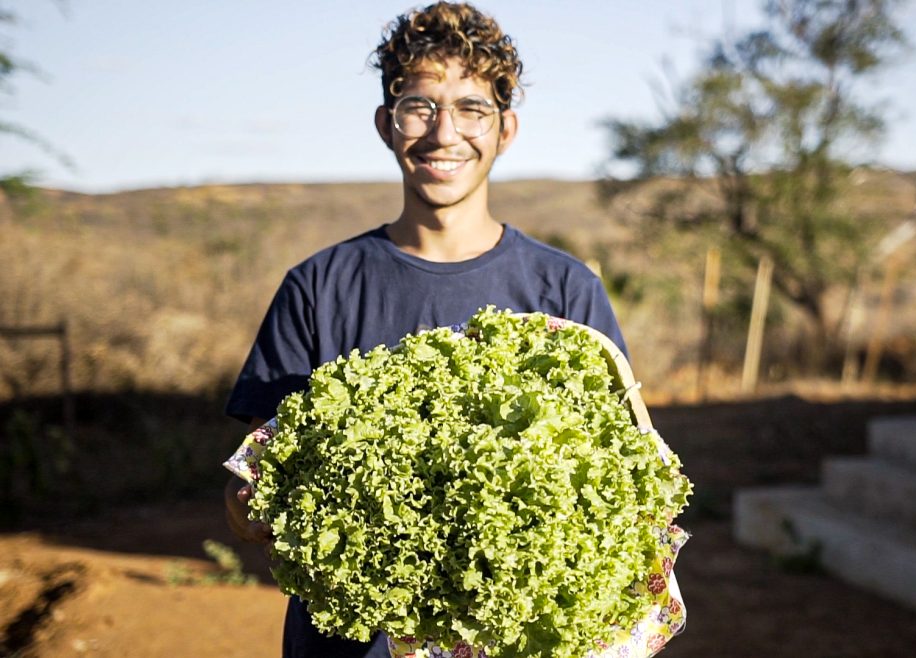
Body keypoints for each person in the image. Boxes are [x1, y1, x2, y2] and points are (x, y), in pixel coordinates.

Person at [222, 3, 627, 657]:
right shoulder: (318, 287)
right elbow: (251, 492)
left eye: (472, 109)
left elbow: (616, 480)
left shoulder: (565, 291)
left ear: (506, 130)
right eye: (419, 106)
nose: (444, 133)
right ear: (387, 124)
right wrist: (258, 508)